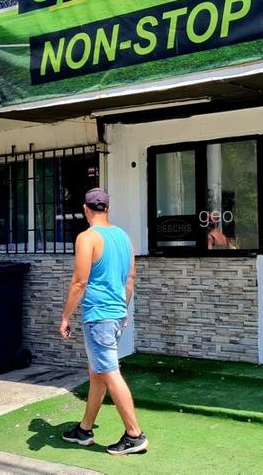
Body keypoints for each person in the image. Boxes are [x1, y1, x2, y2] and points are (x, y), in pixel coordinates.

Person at [59, 188, 148, 456]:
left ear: (85, 209)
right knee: (97, 372)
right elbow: (129, 279)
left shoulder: (87, 238)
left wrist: (65, 316)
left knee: (109, 372)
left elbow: (79, 282)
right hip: (116, 313)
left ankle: (134, 435)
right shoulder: (123, 237)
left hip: (99, 316)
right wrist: (123, 308)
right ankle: (85, 429)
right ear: (108, 208)